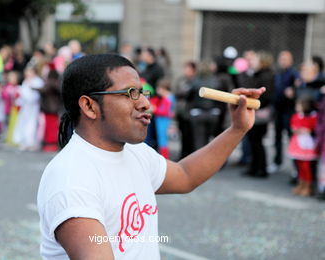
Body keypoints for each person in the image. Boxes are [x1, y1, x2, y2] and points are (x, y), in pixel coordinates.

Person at [37, 54, 265, 259]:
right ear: (89, 106)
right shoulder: (71, 179)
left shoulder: (135, 151)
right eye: (130, 93)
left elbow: (185, 175)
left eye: (143, 92)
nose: (145, 103)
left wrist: (237, 128)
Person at [271, 51, 300, 172]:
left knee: (291, 137)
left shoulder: (294, 74)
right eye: (281, 58)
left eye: (286, 59)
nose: (283, 61)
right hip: (278, 109)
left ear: (291, 60)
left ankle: (295, 167)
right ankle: (277, 162)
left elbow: (299, 87)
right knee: (277, 137)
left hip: (289, 110)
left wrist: (293, 91)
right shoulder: (277, 73)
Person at [287, 97, 318, 196]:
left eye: (299, 105)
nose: (297, 107)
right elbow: (293, 126)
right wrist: (297, 130)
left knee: (306, 166)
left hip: (308, 143)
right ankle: (301, 184)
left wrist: (307, 130)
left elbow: (314, 127)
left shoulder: (313, 117)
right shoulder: (296, 116)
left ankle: (308, 186)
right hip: (298, 142)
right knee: (299, 165)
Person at [150, 79, 175, 158]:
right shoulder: (167, 98)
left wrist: (154, 109)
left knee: (163, 141)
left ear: (164, 88)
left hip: (163, 122)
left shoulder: (168, 99)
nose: (157, 90)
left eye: (159, 88)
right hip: (161, 121)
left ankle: (165, 159)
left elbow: (165, 112)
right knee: (162, 141)